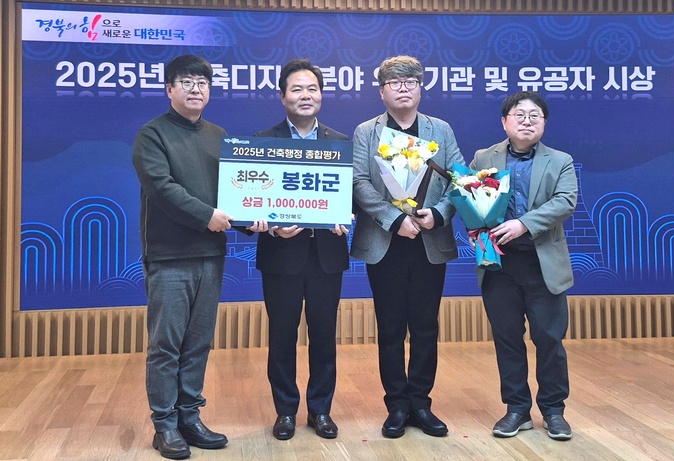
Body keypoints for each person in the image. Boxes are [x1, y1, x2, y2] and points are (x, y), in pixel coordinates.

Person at [133, 54, 243, 460]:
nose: (196, 89)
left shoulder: (219, 135)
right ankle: (164, 424)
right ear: (169, 89)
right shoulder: (152, 135)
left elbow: (236, 192)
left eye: (202, 83)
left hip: (211, 254)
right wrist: (206, 216)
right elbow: (161, 188)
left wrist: (254, 219)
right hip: (169, 257)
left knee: (198, 343)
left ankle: (190, 417)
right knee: (166, 345)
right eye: (187, 82)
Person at [351, 55, 464, 438]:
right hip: (386, 241)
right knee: (390, 327)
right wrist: (394, 219)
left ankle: (421, 403)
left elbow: (458, 178)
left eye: (411, 81)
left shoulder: (440, 130)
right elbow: (359, 182)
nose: (403, 88)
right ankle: (397, 405)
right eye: (395, 83)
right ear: (381, 91)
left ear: (420, 88)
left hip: (429, 240)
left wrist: (440, 214)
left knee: (426, 326)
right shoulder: (366, 131)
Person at [469, 91, 577, 441]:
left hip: (542, 263)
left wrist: (523, 224)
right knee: (507, 340)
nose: (527, 121)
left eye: (535, 115)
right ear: (505, 122)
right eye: (519, 114)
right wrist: (475, 226)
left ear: (544, 123)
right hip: (498, 264)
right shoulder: (483, 157)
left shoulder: (560, 161)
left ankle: (554, 410)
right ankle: (516, 409)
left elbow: (565, 201)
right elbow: (469, 197)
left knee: (549, 340)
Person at [253, 58, 350, 441]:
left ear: (321, 95)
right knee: (282, 337)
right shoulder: (262, 142)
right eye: (297, 89)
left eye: (312, 89)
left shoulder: (340, 142)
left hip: (327, 256)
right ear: (283, 96)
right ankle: (285, 412)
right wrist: (269, 224)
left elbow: (354, 196)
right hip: (281, 257)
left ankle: (321, 410)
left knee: (324, 337)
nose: (305, 95)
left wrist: (347, 215)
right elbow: (246, 204)